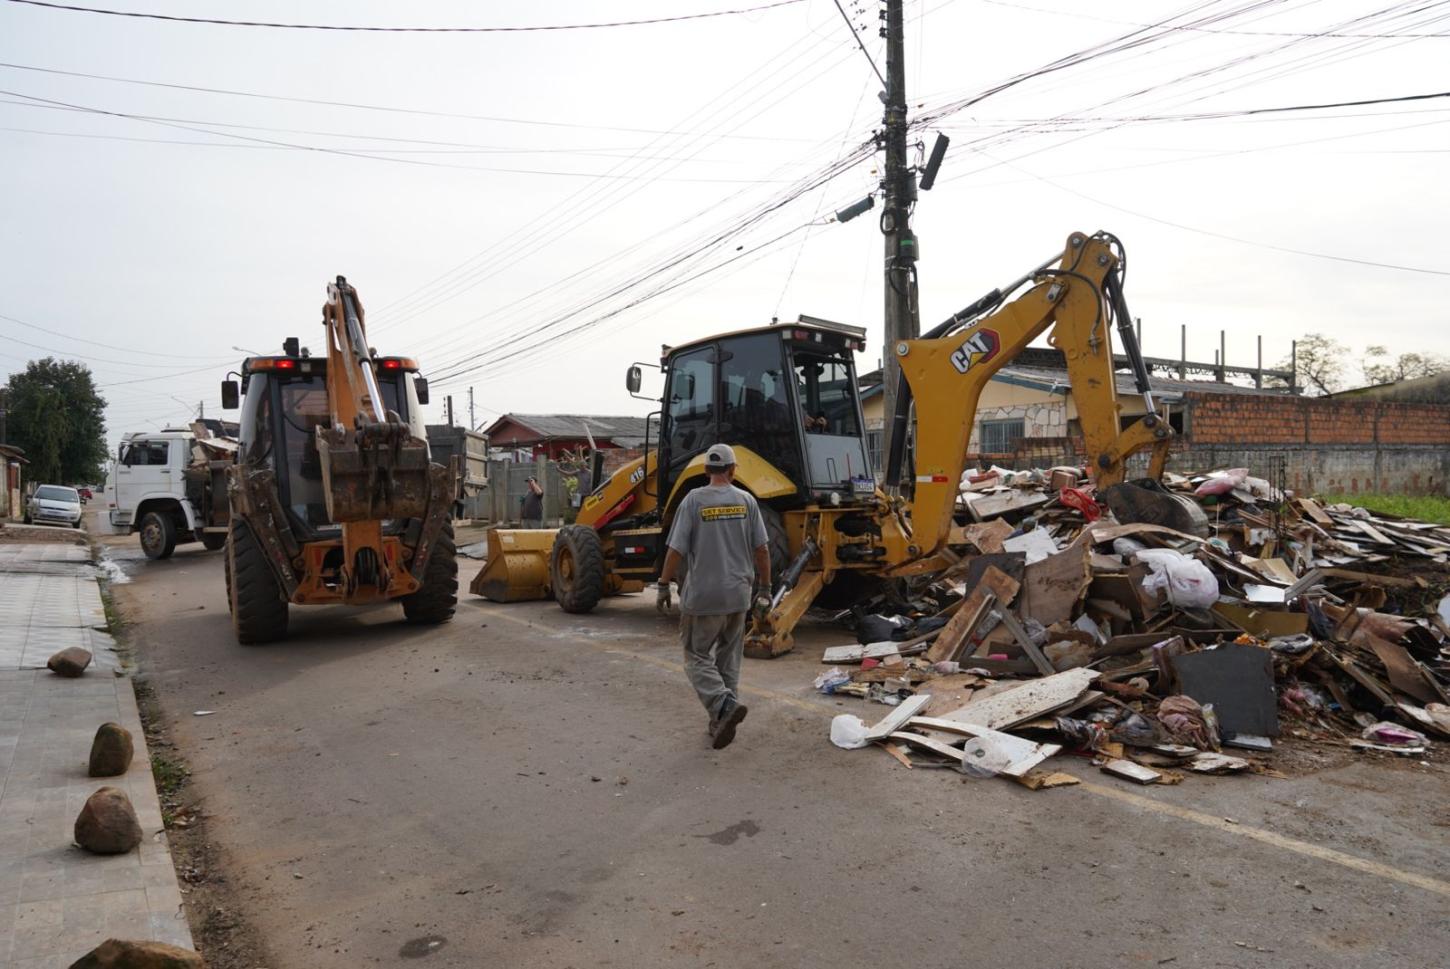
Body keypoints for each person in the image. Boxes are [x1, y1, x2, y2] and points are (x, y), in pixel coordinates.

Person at [657, 443, 771, 750]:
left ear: (706, 470)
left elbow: (676, 550)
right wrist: (765, 589)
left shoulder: (693, 501)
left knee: (695, 656)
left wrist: (663, 584)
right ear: (733, 471)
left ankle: (722, 704)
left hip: (703, 597)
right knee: (729, 658)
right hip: (738, 596)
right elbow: (762, 549)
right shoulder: (747, 501)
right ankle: (720, 719)